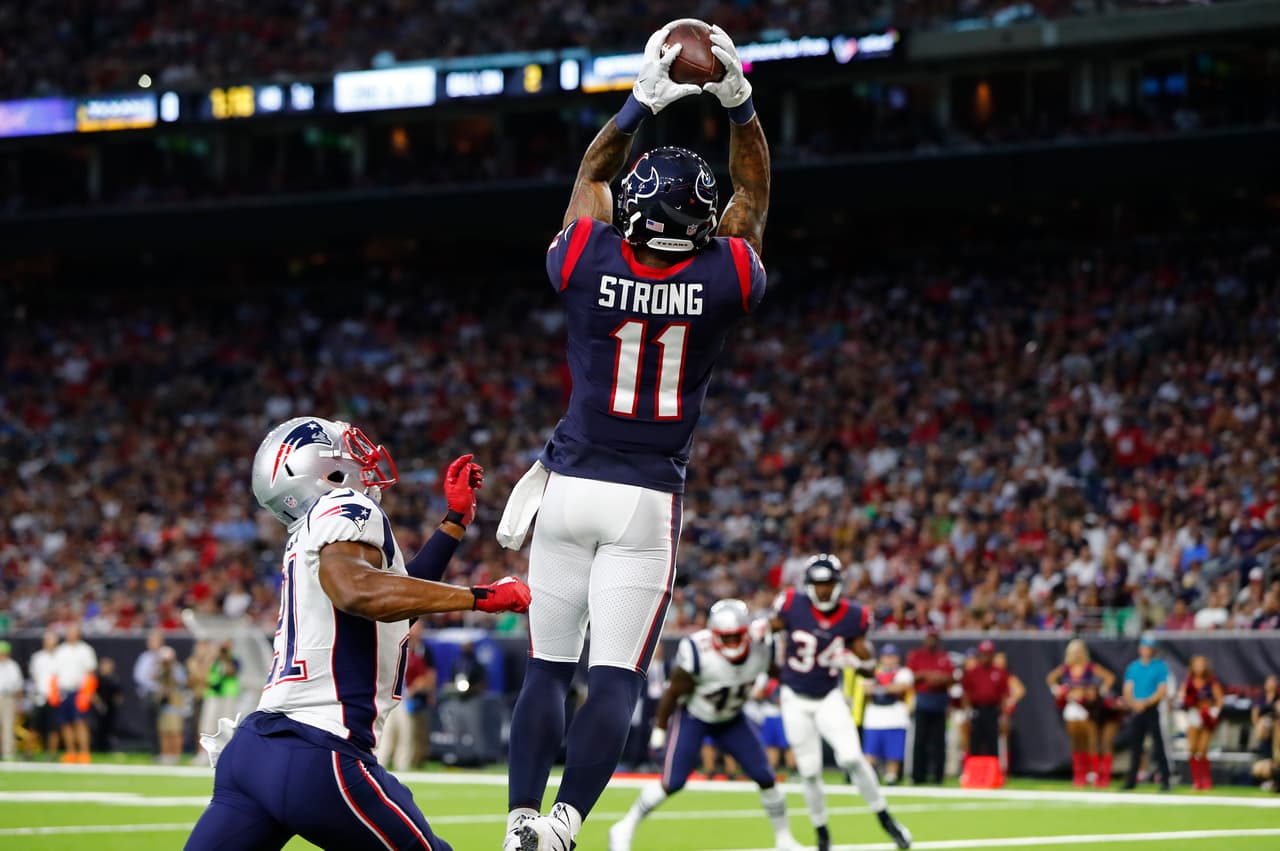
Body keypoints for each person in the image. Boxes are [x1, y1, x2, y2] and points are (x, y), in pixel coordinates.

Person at [500, 20, 771, 851]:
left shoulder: (585, 258)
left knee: (548, 667)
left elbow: (590, 177)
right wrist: (740, 105)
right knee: (615, 675)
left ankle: (517, 822)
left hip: (572, 484)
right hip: (647, 499)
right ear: (703, 224)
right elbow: (753, 200)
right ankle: (564, 827)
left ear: (630, 212)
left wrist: (636, 106)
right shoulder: (724, 274)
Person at [185, 416, 531, 851]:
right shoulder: (346, 505)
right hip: (318, 748)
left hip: (254, 750)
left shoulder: (307, 529)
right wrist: (478, 596)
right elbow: (357, 591)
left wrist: (453, 524)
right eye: (346, 450)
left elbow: (389, 612)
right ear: (321, 469)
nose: (362, 457)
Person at [609, 600, 797, 851]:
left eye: (736, 637)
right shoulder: (698, 650)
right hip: (695, 717)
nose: (731, 643)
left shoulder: (762, 645)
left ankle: (784, 840)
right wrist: (660, 731)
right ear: (713, 634)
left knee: (765, 776)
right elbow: (672, 693)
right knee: (672, 782)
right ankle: (625, 827)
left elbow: (783, 644)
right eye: (725, 637)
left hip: (732, 718)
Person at [768, 555, 911, 850]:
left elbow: (869, 664)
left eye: (828, 584)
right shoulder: (792, 604)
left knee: (851, 758)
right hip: (794, 697)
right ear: (809, 585)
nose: (823, 591)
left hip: (827, 697)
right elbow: (768, 630)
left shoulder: (852, 615)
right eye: (818, 584)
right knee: (808, 772)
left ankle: (885, 817)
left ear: (838, 585)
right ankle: (822, 832)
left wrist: (855, 662)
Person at [1045, 639, 1115, 787]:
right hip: (1071, 706)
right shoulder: (1066, 668)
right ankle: (1079, 775)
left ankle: (1095, 773)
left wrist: (1098, 692)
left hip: (1086, 707)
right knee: (1076, 742)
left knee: (1091, 740)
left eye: (1079, 651)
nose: (1077, 654)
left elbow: (1109, 677)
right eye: (1074, 651)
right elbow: (1050, 678)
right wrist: (1058, 691)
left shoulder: (1089, 667)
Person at [377, 620, 434, 772]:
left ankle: (402, 764)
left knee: (406, 732)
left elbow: (425, 677)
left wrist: (414, 689)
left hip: (404, 697)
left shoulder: (417, 656)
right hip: (388, 696)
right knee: (387, 732)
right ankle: (380, 762)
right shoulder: (392, 649)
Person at [1121, 634, 1172, 791]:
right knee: (1136, 746)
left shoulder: (1160, 666)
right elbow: (1128, 689)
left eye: (1149, 648)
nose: (1146, 651)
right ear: (1140, 649)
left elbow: (1161, 690)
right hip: (1137, 709)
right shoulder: (1133, 667)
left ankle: (1166, 780)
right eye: (1144, 647)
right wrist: (1134, 703)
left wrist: (1146, 702)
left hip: (1151, 709)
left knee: (1158, 745)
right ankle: (1131, 780)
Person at [906, 625, 952, 785]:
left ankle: (938, 776)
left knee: (938, 741)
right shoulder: (917, 655)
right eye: (929, 637)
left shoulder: (943, 656)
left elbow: (948, 677)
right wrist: (929, 675)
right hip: (923, 699)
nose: (931, 640)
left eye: (934, 637)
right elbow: (911, 676)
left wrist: (929, 676)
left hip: (939, 700)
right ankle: (918, 775)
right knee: (920, 740)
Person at [862, 644, 913, 785]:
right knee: (870, 750)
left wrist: (879, 688)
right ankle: (870, 776)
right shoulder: (872, 671)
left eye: (892, 656)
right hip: (874, 716)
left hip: (895, 715)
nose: (889, 660)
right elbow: (866, 689)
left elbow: (902, 687)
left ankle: (891, 776)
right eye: (886, 656)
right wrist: (888, 688)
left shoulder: (904, 672)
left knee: (894, 751)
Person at [52, 622, 98, 763]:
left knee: (80, 722)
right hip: (64, 691)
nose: (70, 634)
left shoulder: (85, 650)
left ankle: (84, 753)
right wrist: (55, 692)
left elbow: (90, 673)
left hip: (79, 692)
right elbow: (55, 674)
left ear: (78, 634)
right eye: (69, 632)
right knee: (66, 723)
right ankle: (70, 752)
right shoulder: (60, 650)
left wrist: (87, 693)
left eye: (73, 632)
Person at [960, 640, 1012, 763]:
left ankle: (992, 772)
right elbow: (966, 695)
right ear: (979, 654)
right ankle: (974, 772)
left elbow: (1004, 696)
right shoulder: (972, 672)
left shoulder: (1000, 672)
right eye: (983, 653)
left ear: (992, 655)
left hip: (993, 711)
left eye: (988, 654)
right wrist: (966, 714)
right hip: (976, 710)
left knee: (992, 742)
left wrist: (1004, 716)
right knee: (974, 742)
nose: (986, 657)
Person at [1181, 654, 1224, 790]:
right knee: (1192, 748)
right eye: (1197, 665)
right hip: (1194, 715)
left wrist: (1213, 712)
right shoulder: (1188, 681)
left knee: (1203, 749)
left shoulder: (1211, 681)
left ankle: (1206, 779)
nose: (1199, 668)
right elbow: (1182, 696)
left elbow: (1219, 699)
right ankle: (1196, 780)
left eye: (1202, 665)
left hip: (1206, 716)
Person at [197, 642, 242, 762]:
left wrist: (226, 659)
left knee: (228, 725)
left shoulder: (234, 660)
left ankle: (228, 754)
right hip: (214, 694)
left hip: (228, 696)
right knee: (208, 725)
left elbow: (232, 671)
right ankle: (204, 754)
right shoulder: (214, 660)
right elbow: (203, 674)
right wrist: (210, 656)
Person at [134, 629, 168, 755]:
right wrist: (153, 682)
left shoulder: (166, 655)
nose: (151, 643)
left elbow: (169, 675)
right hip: (149, 694)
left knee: (165, 724)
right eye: (150, 640)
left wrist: (156, 681)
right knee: (150, 724)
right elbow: (139, 676)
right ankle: (155, 752)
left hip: (163, 695)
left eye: (154, 640)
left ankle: (167, 752)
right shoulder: (144, 657)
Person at [155, 646, 189, 764]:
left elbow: (181, 683)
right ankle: (165, 755)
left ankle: (175, 755)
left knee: (175, 730)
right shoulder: (160, 669)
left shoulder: (178, 669)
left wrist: (170, 673)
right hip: (164, 703)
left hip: (175, 703)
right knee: (164, 730)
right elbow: (154, 680)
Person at [91, 657, 124, 753]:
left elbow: (118, 693)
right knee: (98, 728)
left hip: (111, 708)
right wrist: (99, 704)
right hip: (99, 707)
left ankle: (108, 748)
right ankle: (97, 748)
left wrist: (116, 701)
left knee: (110, 728)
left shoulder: (114, 678)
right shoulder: (97, 678)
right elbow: (93, 692)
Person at [0, 642, 22, 761]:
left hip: (8, 698)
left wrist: (19, 703)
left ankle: (8, 754)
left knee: (8, 726)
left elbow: (18, 686)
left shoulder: (13, 666)